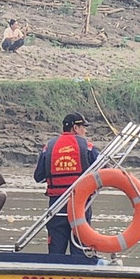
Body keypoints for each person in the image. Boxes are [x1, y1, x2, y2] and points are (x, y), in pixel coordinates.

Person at [33, 111, 99, 263]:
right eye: (83, 127)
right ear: (75, 128)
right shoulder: (88, 148)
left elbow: (38, 176)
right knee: (79, 248)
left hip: (56, 205)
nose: (85, 131)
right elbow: (105, 172)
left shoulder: (48, 147)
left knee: (56, 251)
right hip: (80, 205)